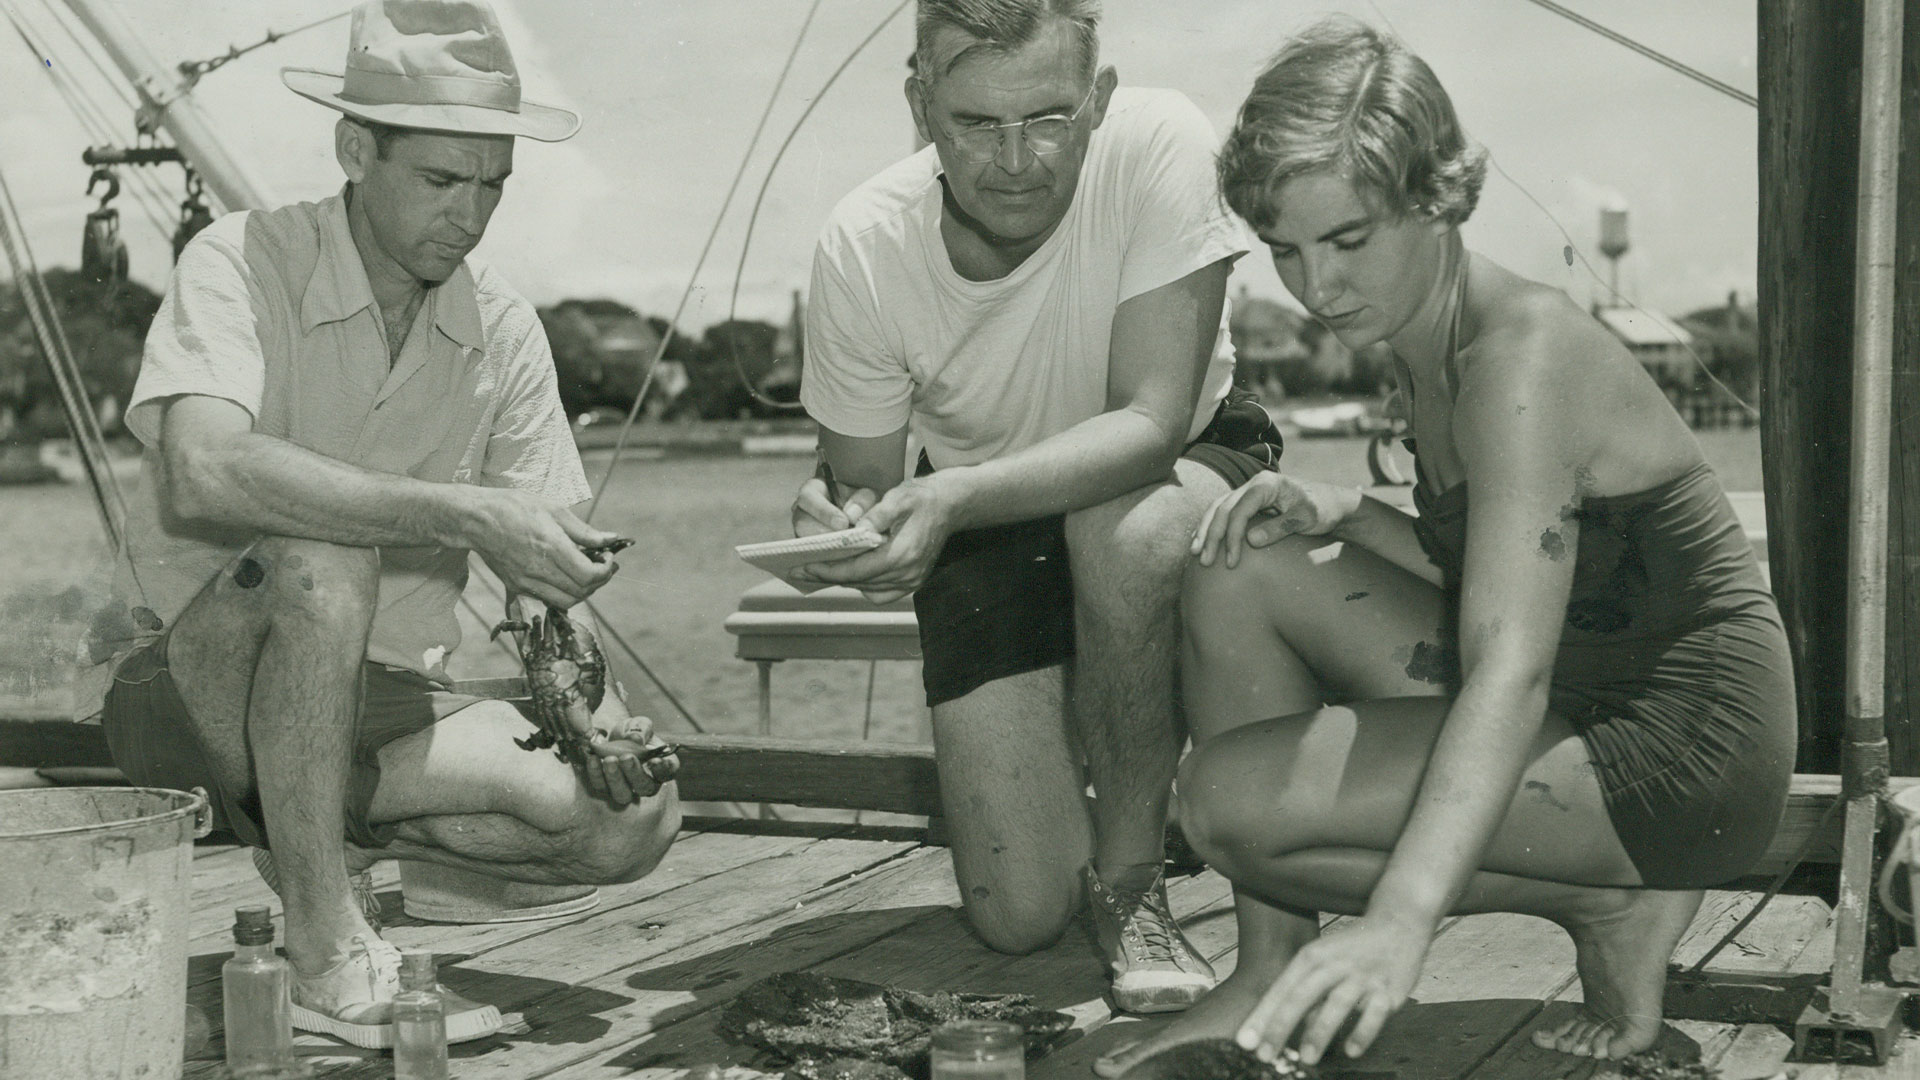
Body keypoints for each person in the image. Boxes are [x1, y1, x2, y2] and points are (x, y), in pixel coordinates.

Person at [1095, 16, 1794, 1073]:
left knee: (1223, 805)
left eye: (1347, 240)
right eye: (1285, 250)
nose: (1317, 288)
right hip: (1584, 680)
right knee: (1236, 558)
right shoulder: (1424, 337)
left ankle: (1611, 900)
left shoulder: (1519, 360)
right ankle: (1264, 973)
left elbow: (1509, 668)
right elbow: (1520, 575)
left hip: (1683, 744)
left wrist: (1401, 922)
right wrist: (1351, 515)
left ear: (1436, 197)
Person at [79, 0, 680, 1049]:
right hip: (187, 697)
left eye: (492, 186)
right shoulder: (238, 258)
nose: (470, 216)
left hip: (381, 705)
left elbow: (546, 593)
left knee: (634, 820)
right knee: (323, 554)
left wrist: (594, 716)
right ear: (356, 149)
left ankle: (326, 861)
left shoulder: (503, 327)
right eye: (442, 181)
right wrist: (464, 512)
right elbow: (201, 470)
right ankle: (321, 957)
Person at [788, 0, 1284, 1014]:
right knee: (1017, 916)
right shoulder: (859, 246)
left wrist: (949, 495)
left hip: (1178, 467)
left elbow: (1149, 424)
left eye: (1050, 118)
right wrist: (840, 520)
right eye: (976, 123)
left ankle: (1136, 879)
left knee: (1121, 528)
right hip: (988, 518)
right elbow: (867, 486)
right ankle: (1134, 764)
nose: (1016, 160)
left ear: (1099, 99)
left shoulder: (1160, 140)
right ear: (920, 102)